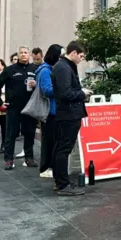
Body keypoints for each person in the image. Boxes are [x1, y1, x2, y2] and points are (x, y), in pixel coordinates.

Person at [52, 41, 89, 196]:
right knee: (64, 148)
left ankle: (61, 181)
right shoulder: (63, 67)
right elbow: (65, 93)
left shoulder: (65, 66)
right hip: (69, 114)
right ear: (73, 53)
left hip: (68, 113)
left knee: (61, 147)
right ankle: (62, 184)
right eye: (81, 56)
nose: (81, 59)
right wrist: (83, 93)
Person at [0, 46, 39, 170]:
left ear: (29, 55)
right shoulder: (10, 70)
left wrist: (36, 84)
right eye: (21, 53)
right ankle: (9, 159)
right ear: (18, 55)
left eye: (26, 52)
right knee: (11, 133)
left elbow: (42, 86)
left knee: (29, 132)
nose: (24, 55)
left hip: (30, 107)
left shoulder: (35, 69)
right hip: (13, 107)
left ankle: (29, 158)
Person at [36, 44, 63, 179]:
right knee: (48, 142)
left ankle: (51, 166)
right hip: (49, 111)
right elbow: (47, 90)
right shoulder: (45, 71)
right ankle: (46, 167)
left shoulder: (50, 69)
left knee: (53, 141)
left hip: (55, 111)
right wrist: (62, 87)